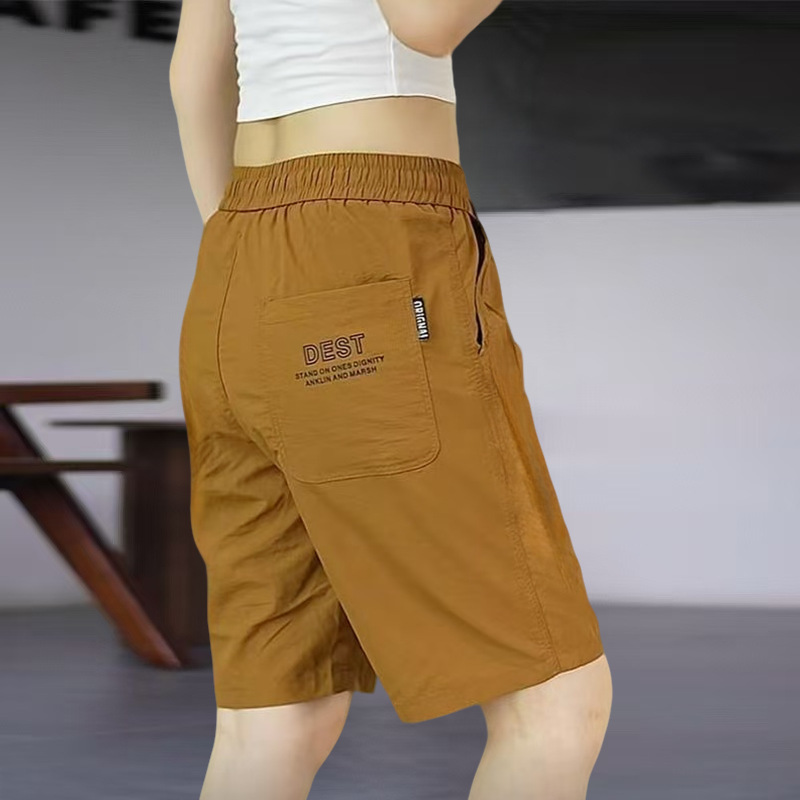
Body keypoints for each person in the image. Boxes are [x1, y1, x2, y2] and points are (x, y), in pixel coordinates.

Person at [169, 1, 613, 798]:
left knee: (275, 719)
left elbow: (195, 72)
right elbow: (424, 22)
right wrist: (324, 248)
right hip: (365, 236)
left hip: (235, 259)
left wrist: (254, 250)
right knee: (554, 703)